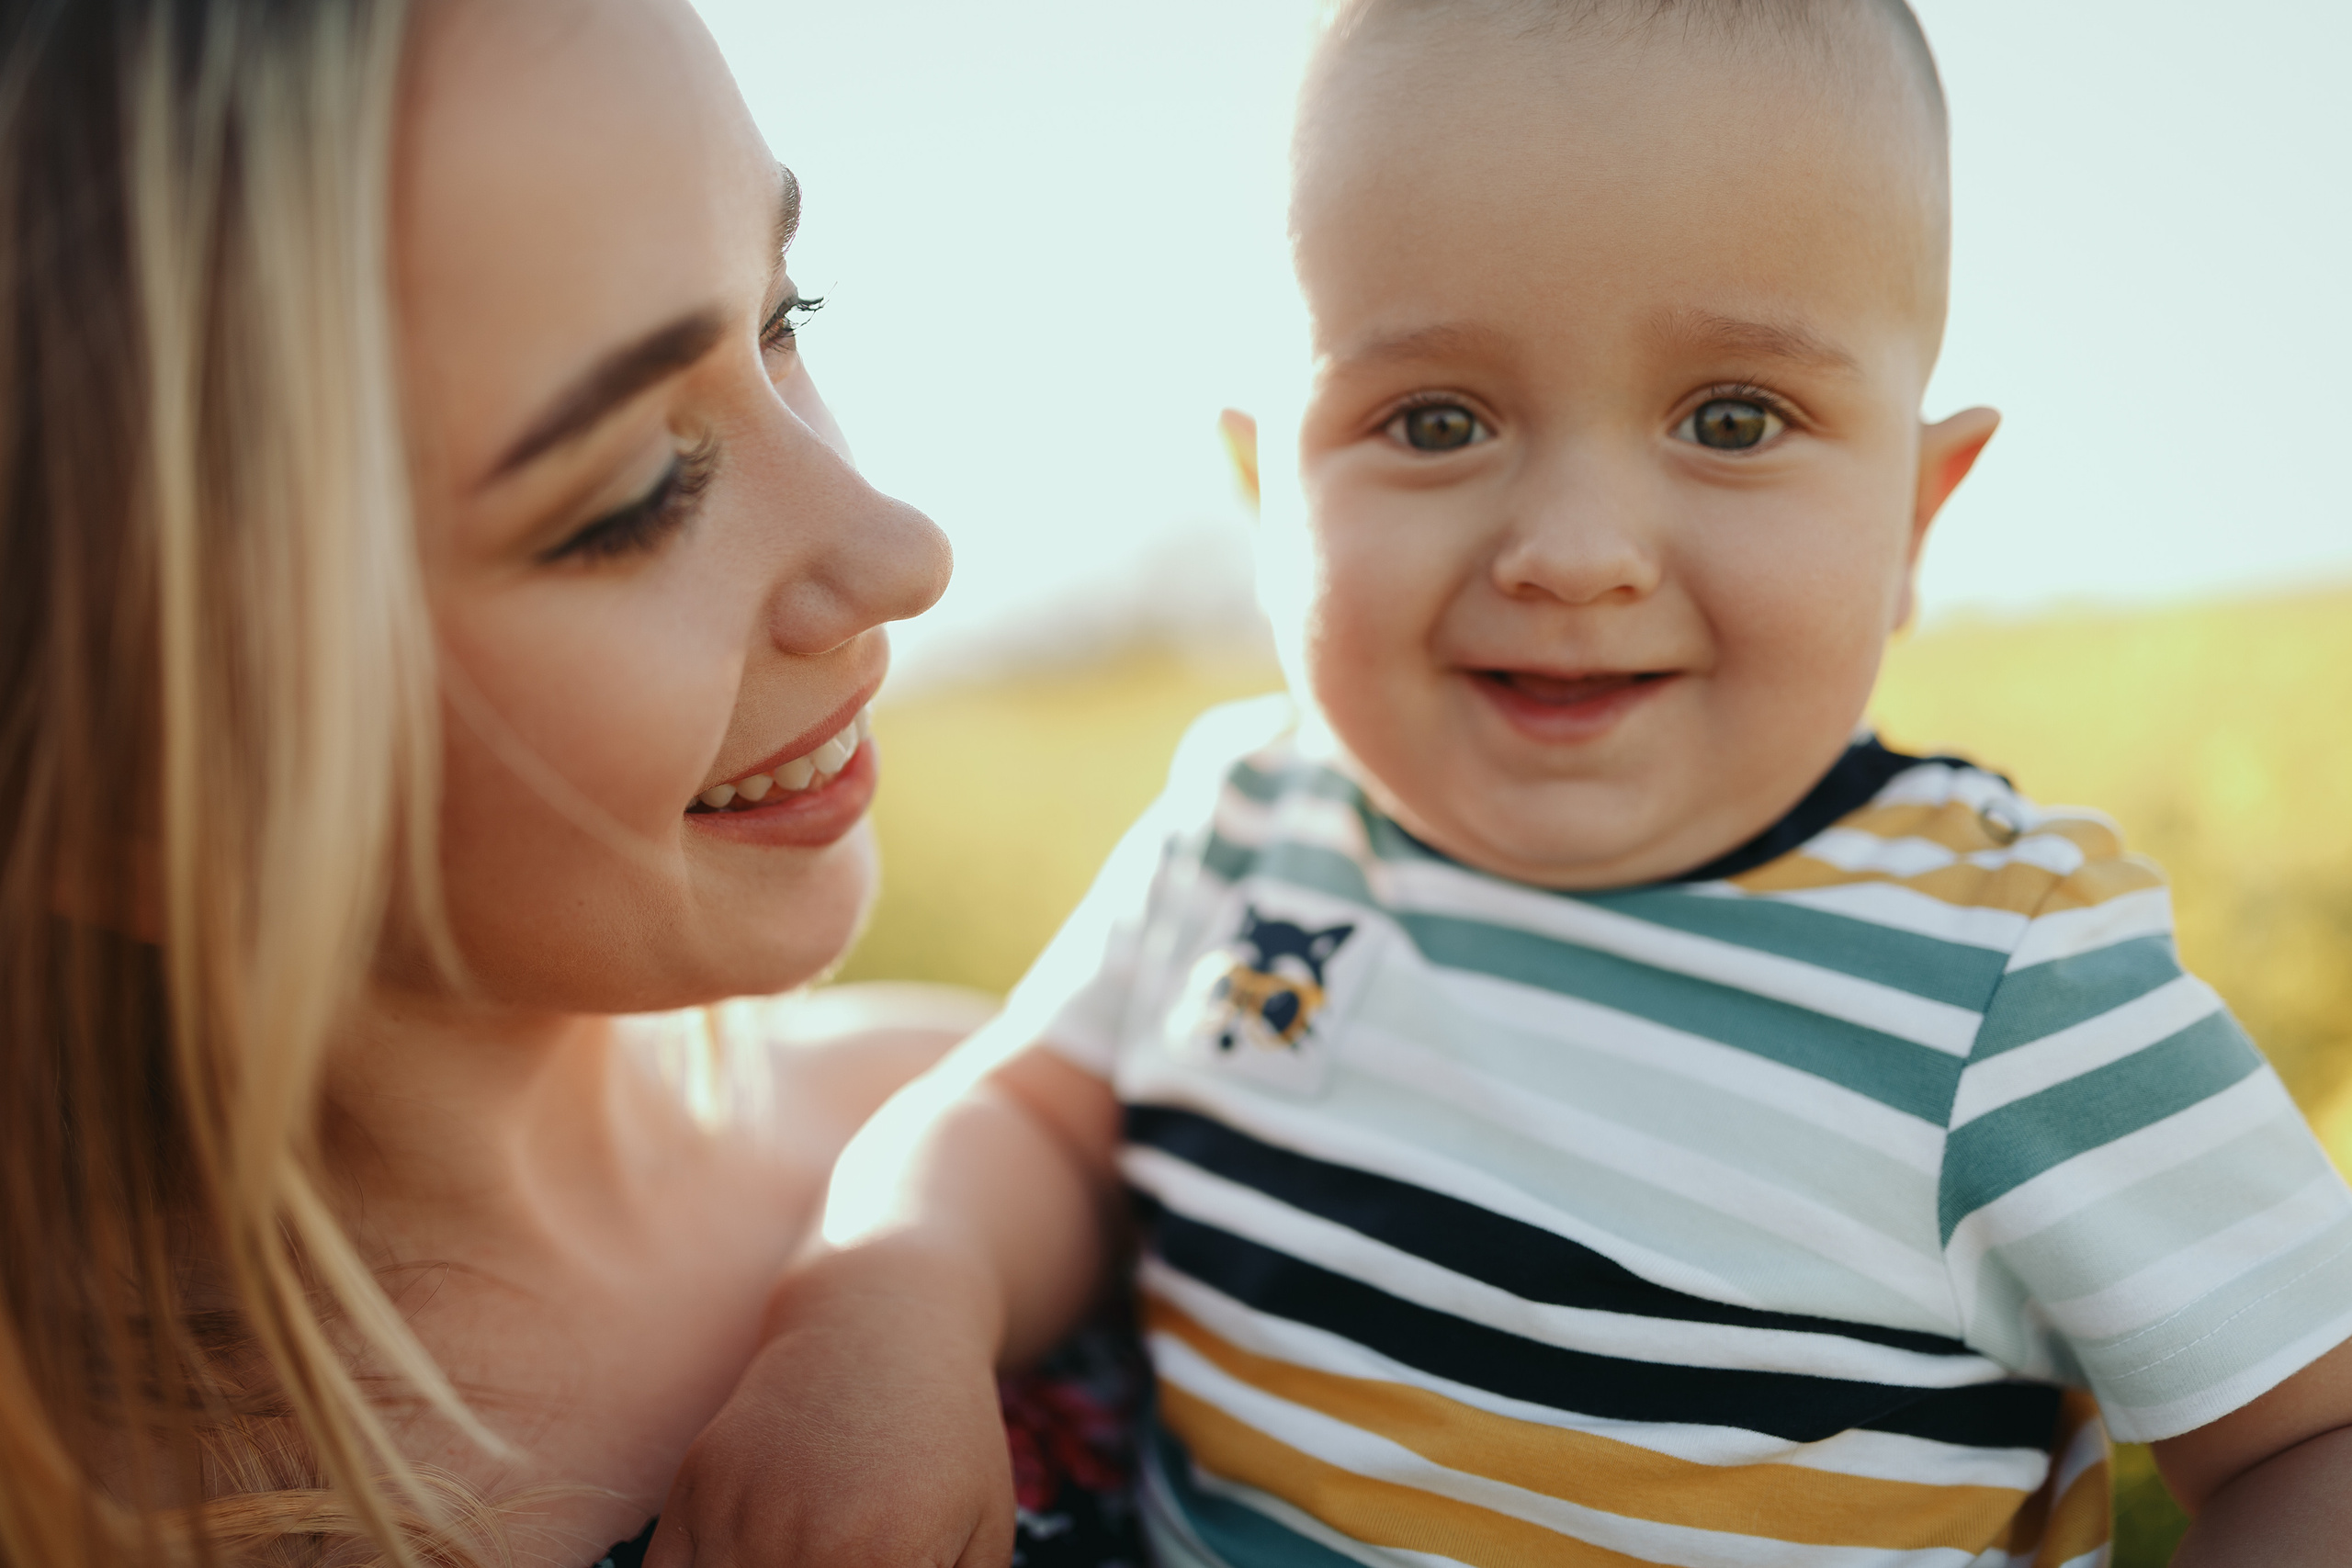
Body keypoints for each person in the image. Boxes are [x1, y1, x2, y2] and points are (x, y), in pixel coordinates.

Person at [662, 1, 2352, 1563]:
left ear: (1916, 516)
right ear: (1273, 496)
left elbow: (2312, 1434)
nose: (1573, 553)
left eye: (1737, 419)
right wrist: (887, 1303)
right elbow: (1032, 1113)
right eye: (1438, 421)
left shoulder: (2007, 980)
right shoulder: (1252, 821)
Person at [0, 0, 987, 1563]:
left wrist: (916, 1272)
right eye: (638, 492)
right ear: (117, 800)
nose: (901, 551)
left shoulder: (969, 1131)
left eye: (787, 315)